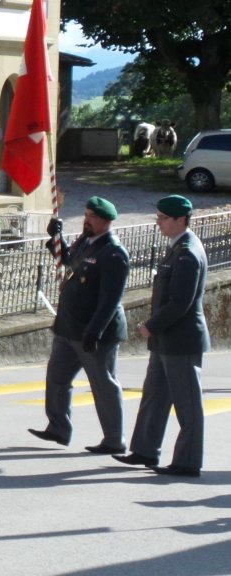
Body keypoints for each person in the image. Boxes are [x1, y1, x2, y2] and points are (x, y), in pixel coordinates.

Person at [113, 195, 208, 477]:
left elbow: (181, 302)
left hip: (181, 340)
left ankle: (188, 461)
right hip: (166, 340)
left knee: (187, 404)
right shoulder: (177, 247)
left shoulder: (188, 252)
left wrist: (151, 325)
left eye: (164, 218)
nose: (159, 223)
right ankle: (144, 450)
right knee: (154, 396)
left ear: (181, 219)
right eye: (158, 217)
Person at [29, 197, 129, 454]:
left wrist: (94, 331)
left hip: (94, 332)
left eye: (92, 217)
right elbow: (70, 262)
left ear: (106, 222)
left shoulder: (113, 252)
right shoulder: (86, 242)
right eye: (85, 215)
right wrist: (56, 239)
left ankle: (114, 439)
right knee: (57, 378)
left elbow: (110, 299)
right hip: (69, 327)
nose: (87, 220)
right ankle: (58, 427)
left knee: (103, 384)